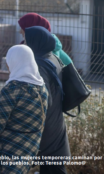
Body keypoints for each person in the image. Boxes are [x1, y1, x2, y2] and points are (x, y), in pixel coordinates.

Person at [0, 45, 48, 174]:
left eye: (9, 62)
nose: (7, 66)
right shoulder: (42, 89)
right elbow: (41, 123)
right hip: (29, 149)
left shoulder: (13, 89)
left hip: (7, 150)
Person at [25, 26, 71, 174]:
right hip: (56, 120)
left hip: (46, 125)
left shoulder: (38, 64)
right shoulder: (52, 57)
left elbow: (44, 99)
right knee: (50, 166)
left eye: (27, 41)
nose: (25, 44)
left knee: (54, 167)